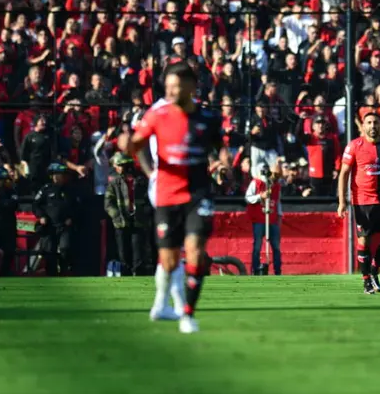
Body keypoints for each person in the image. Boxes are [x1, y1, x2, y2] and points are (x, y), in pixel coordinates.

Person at [120, 63, 221, 334]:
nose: (171, 92)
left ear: (191, 86)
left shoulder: (207, 117)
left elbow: (218, 146)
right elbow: (137, 145)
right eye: (168, 87)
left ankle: (186, 312)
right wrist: (147, 169)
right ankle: (162, 303)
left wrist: (222, 162)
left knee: (195, 250)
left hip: (198, 193)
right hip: (166, 191)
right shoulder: (157, 113)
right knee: (169, 259)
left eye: (176, 86)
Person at [338, 111, 380, 295]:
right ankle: (366, 280)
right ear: (363, 125)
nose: (372, 126)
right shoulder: (354, 146)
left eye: (375, 122)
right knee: (364, 241)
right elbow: (344, 173)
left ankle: (374, 268)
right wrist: (342, 201)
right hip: (362, 201)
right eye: (368, 122)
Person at [104, 152, 148, 276]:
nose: (117, 168)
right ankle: (125, 275)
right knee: (123, 252)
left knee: (138, 251)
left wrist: (144, 212)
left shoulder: (141, 181)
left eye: (119, 165)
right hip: (121, 222)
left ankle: (138, 275)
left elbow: (148, 199)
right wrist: (117, 216)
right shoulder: (114, 183)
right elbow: (108, 203)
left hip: (138, 221)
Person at [31, 163, 79, 275]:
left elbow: (77, 207)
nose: (58, 177)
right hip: (49, 226)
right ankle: (51, 275)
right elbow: (36, 205)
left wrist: (71, 218)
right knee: (49, 253)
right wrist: (41, 216)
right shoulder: (46, 189)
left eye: (60, 174)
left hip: (64, 226)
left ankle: (64, 271)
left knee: (65, 249)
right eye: (55, 174)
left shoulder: (70, 190)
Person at [245, 163, 283, 275]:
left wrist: (279, 217)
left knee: (276, 247)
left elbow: (278, 203)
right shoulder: (256, 183)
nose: (276, 177)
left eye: (278, 175)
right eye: (275, 174)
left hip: (272, 220)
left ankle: (277, 271)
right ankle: (255, 269)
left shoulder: (277, 187)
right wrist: (260, 196)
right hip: (259, 219)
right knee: (257, 246)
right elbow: (248, 198)